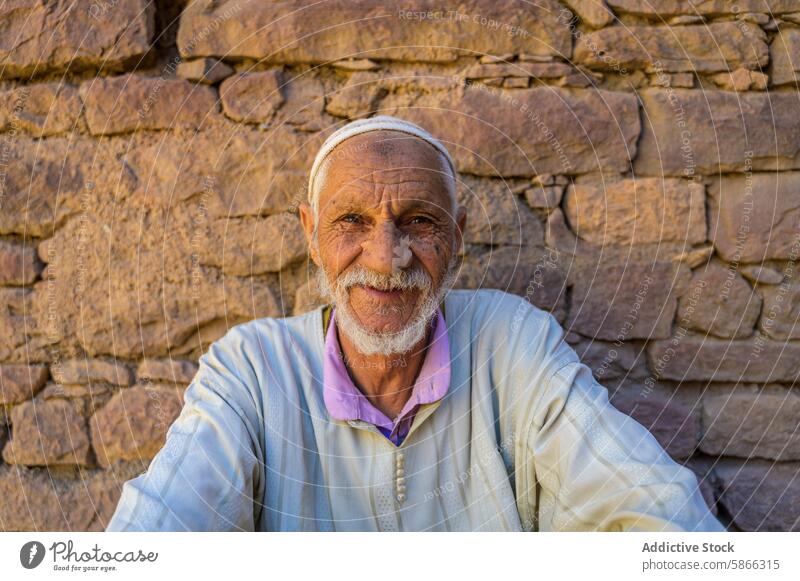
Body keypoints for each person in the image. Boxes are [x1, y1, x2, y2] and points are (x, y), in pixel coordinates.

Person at [106, 115, 724, 532]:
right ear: (311, 236)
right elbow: (164, 520)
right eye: (352, 221)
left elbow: (650, 505)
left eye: (419, 222)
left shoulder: (511, 344)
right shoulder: (252, 369)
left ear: (456, 238)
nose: (387, 257)